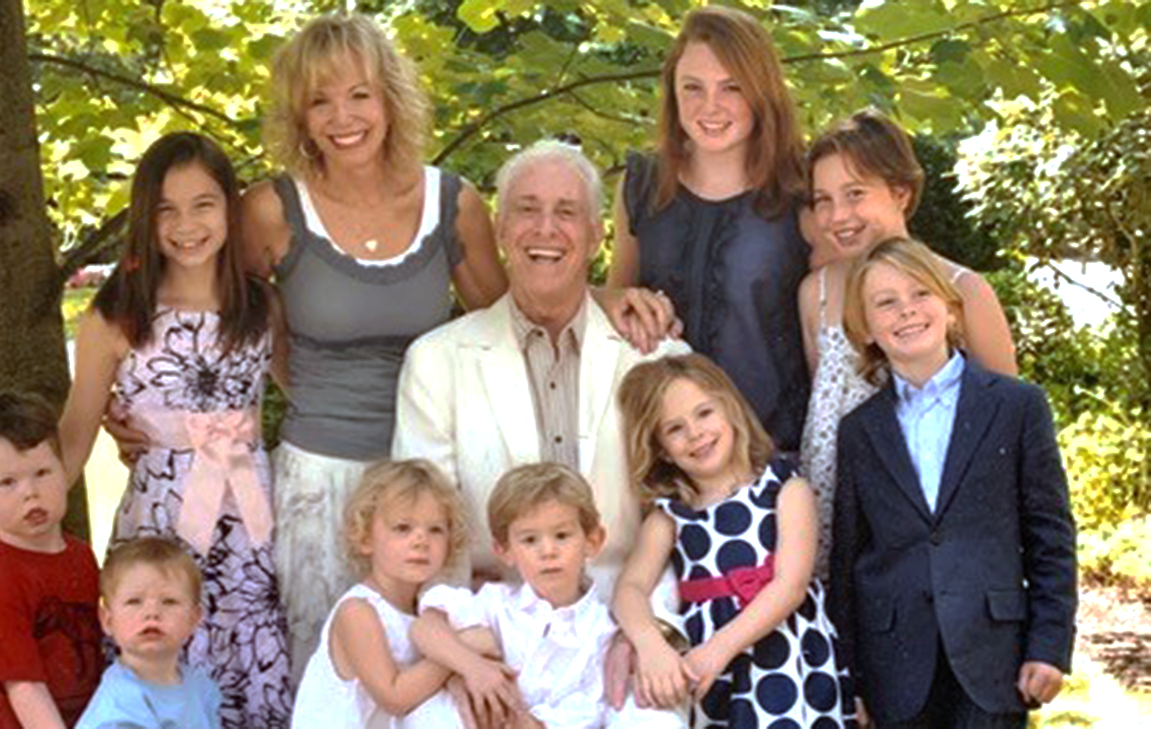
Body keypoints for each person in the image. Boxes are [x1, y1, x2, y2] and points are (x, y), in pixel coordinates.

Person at [240, 13, 509, 668]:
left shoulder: (453, 203)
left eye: (359, 94)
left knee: (433, 671)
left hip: (429, 482)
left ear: (390, 97)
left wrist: (611, 299)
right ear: (299, 118)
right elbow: (236, 335)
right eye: (319, 101)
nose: (343, 117)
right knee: (330, 670)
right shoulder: (271, 210)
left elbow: (511, 324)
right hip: (320, 479)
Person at [57, 131, 291, 727]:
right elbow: (75, 434)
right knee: (164, 659)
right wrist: (9, 534)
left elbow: (310, 395)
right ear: (145, 217)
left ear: (230, 209)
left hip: (248, 525)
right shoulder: (117, 314)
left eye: (204, 204)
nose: (186, 224)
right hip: (161, 522)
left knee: (249, 665)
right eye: (166, 209)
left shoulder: (262, 307)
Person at [393, 139, 691, 595]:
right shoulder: (436, 362)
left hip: (625, 625)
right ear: (500, 228)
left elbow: (686, 519)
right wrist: (468, 639)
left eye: (567, 212)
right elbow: (425, 529)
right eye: (527, 209)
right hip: (490, 626)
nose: (545, 229)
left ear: (596, 237)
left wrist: (653, 633)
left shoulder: (657, 358)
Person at [830, 238, 1076, 729]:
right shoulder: (859, 430)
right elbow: (848, 558)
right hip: (893, 664)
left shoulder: (1015, 407)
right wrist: (848, 677)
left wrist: (1049, 645)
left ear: (949, 305)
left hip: (992, 659)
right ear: (868, 329)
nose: (907, 312)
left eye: (920, 293)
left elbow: (1050, 534)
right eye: (886, 303)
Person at [798, 110, 1017, 577]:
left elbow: (1010, 438)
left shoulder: (962, 291)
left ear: (901, 192)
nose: (838, 216)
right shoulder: (813, 294)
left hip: (936, 552)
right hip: (834, 537)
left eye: (855, 194)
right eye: (823, 200)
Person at [609, 6, 811, 455]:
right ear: (673, 95)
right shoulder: (641, 184)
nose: (710, 107)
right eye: (693, 88)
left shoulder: (803, 190)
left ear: (762, 93)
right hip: (662, 455)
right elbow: (613, 299)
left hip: (772, 455)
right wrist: (621, 303)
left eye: (732, 88)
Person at [614, 354, 854, 728]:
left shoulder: (785, 490)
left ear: (729, 409)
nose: (695, 433)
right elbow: (628, 589)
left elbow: (790, 587)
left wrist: (718, 650)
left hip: (785, 658)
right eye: (675, 428)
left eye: (704, 413)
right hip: (711, 675)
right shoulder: (670, 516)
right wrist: (650, 645)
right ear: (660, 448)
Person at [411, 462, 688, 729]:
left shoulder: (603, 630)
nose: (548, 551)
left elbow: (593, 706)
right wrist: (472, 667)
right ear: (504, 550)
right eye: (530, 540)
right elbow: (424, 628)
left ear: (593, 540)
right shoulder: (494, 603)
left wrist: (533, 722)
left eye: (561, 535)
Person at [292, 459, 478, 728]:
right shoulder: (358, 611)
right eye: (403, 528)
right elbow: (394, 697)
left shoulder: (433, 610)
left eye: (435, 530)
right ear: (366, 538)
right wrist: (462, 652)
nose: (420, 541)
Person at [0, 392, 104, 728]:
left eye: (42, 472)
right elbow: (23, 686)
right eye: (8, 482)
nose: (30, 492)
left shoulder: (80, 555)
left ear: (64, 470)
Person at [77, 537, 221, 729]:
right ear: (108, 620)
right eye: (134, 601)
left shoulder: (200, 688)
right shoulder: (121, 705)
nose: (152, 613)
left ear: (194, 619)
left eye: (169, 601)